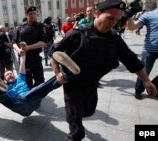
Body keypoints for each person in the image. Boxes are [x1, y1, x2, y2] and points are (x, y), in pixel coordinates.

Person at [49, 0, 157, 140]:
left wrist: (146, 80)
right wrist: (57, 73)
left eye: (117, 20)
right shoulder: (77, 34)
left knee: (89, 110)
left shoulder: (114, 38)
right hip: (73, 84)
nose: (113, 23)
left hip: (92, 83)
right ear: (98, 14)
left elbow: (131, 60)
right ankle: (74, 128)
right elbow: (54, 52)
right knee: (76, 129)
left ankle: (76, 117)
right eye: (110, 18)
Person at [0, 51, 80, 116]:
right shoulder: (5, 87)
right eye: (7, 75)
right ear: (5, 79)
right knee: (2, 97)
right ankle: (63, 77)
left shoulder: (20, 78)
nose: (9, 75)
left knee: (39, 88)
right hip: (22, 107)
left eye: (11, 73)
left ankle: (65, 76)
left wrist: (23, 53)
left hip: (34, 101)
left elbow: (22, 63)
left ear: (14, 75)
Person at [127, 0, 158, 99]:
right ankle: (138, 91)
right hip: (149, 50)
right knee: (144, 72)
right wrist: (129, 17)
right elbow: (132, 27)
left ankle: (154, 88)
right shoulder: (149, 15)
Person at [12, 6, 47, 89]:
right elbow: (13, 43)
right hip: (24, 60)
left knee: (40, 80)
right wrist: (19, 50)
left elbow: (44, 42)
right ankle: (30, 97)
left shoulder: (40, 26)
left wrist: (29, 47)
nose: (33, 16)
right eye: (30, 14)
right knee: (27, 82)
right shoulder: (20, 28)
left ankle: (36, 96)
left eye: (34, 14)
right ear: (26, 15)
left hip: (35, 58)